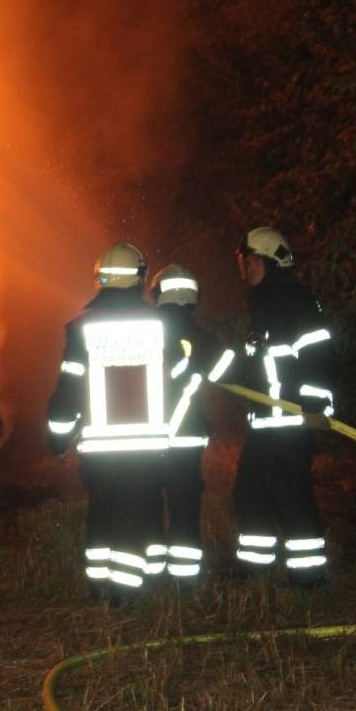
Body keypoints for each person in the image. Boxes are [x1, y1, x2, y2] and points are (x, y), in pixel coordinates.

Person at [47, 242, 168, 604]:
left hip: (100, 450)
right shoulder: (161, 324)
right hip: (147, 446)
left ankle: (99, 588)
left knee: (102, 511)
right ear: (140, 278)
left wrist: (59, 439)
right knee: (135, 516)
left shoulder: (82, 328)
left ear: (100, 279)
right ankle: (126, 598)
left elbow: (67, 390)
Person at [218, 226, 335, 587]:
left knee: (292, 495)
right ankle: (256, 568)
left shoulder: (293, 301)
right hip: (268, 423)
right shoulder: (265, 305)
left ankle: (309, 577)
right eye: (245, 262)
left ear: (270, 263)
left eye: (252, 262)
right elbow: (261, 368)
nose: (246, 269)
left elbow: (318, 352)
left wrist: (315, 406)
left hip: (294, 421)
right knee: (250, 492)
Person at [149, 263, 222, 584]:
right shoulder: (200, 338)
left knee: (148, 505)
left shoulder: (142, 334)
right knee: (184, 509)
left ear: (157, 294)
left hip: (147, 439)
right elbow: (227, 372)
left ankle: (150, 577)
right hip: (186, 439)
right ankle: (184, 582)